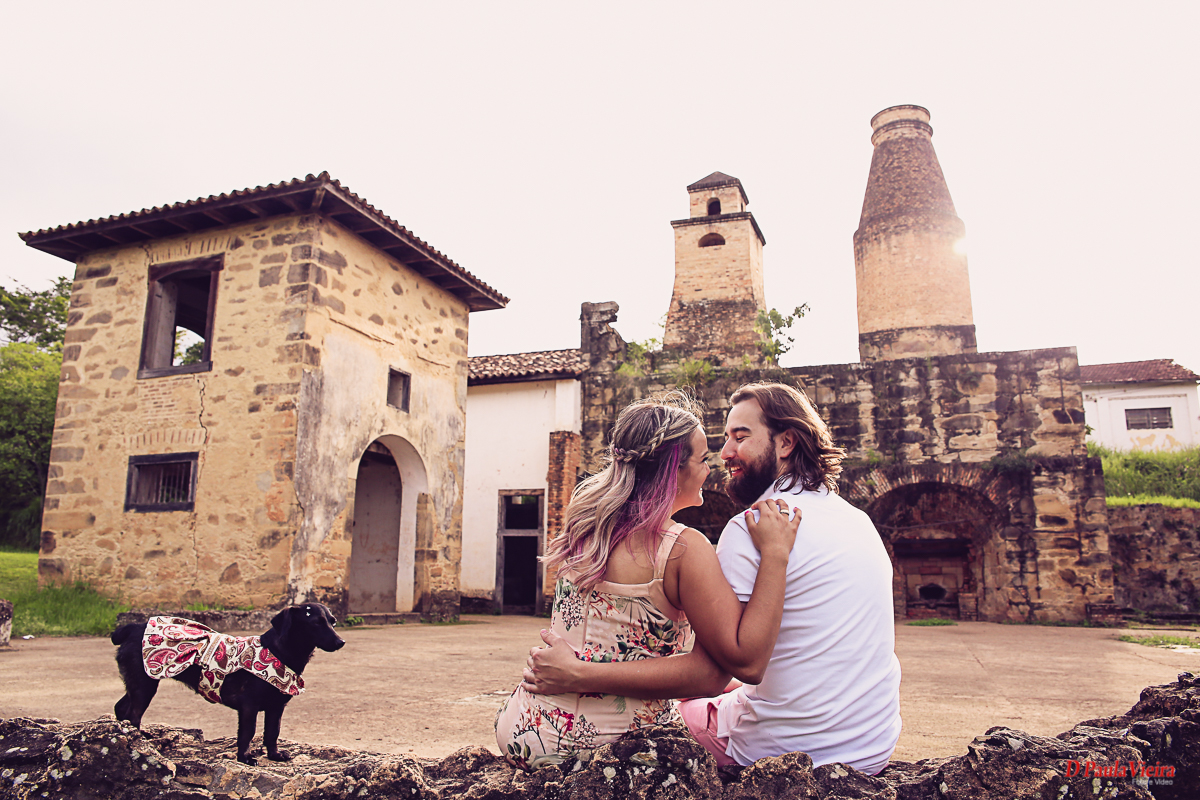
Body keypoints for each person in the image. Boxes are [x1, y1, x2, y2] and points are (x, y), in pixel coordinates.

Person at [522, 382, 902, 775]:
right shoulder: (858, 520)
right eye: (718, 445)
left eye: (740, 437)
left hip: (789, 749)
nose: (724, 456)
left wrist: (579, 673)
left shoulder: (750, 528)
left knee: (682, 710)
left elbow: (728, 667)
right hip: (873, 743)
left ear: (786, 442)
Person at [495, 392, 801, 769]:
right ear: (675, 469)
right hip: (606, 748)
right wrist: (775, 555)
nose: (710, 469)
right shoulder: (682, 548)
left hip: (526, 728)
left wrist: (578, 673)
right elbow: (714, 673)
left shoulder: (586, 524)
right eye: (703, 459)